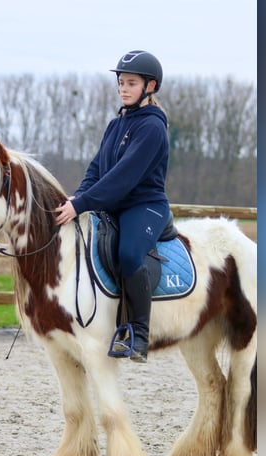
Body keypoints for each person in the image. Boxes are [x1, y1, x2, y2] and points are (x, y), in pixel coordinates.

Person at [54, 50, 171, 363]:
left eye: (131, 83)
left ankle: (139, 334)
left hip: (145, 206)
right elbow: (97, 169)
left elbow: (123, 178)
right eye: (121, 82)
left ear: (150, 86)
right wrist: (76, 198)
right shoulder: (115, 125)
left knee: (129, 254)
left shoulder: (152, 128)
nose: (123, 88)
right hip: (114, 205)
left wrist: (83, 204)